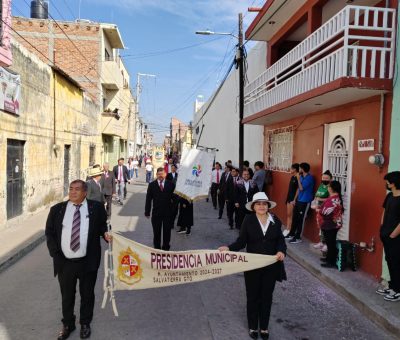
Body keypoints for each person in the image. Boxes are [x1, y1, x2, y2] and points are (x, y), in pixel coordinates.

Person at [45, 180, 111, 340]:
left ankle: (85, 323)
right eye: (71, 189)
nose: (73, 192)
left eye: (77, 190)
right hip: (65, 262)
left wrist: (106, 234)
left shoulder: (96, 209)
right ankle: (68, 324)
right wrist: (56, 254)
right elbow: (50, 233)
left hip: (87, 261)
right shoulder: (57, 210)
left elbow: (103, 226)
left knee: (87, 294)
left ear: (85, 192)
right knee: (67, 295)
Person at [218, 192, 286, 339]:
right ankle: (253, 326)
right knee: (253, 296)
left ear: (268, 206)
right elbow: (242, 241)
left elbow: (280, 239)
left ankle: (264, 327)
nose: (261, 206)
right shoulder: (248, 220)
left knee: (267, 296)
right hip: (252, 265)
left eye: (264, 204)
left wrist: (281, 250)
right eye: (258, 204)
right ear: (253, 206)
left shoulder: (275, 220)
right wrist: (229, 248)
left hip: (271, 265)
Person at [376, 171, 400, 302]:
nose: (386, 183)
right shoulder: (390, 195)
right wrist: (382, 227)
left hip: (395, 237)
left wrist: (392, 235)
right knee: (390, 260)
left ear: (394, 183)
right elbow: (385, 210)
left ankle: (397, 290)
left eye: (388, 181)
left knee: (396, 262)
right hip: (385, 233)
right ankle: (392, 285)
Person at [145, 167, 176, 250]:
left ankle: (166, 249)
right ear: (156, 175)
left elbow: (175, 199)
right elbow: (148, 199)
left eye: (162, 174)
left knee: (167, 232)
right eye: (159, 174)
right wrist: (147, 212)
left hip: (168, 213)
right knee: (156, 233)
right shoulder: (152, 185)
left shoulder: (171, 184)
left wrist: (173, 211)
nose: (160, 176)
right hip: (156, 213)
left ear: (165, 174)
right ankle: (157, 249)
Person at [318, 180, 343, 268]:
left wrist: (318, 210)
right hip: (333, 224)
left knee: (330, 243)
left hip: (330, 224)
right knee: (330, 242)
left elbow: (325, 212)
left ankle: (331, 261)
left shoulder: (333, 199)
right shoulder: (336, 197)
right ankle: (329, 258)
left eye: (329, 187)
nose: (328, 188)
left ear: (332, 188)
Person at [288, 162, 315, 244]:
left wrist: (298, 179)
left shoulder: (309, 178)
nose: (298, 170)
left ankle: (298, 237)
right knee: (295, 218)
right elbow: (298, 190)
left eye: (299, 168)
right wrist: (294, 199)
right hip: (299, 200)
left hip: (305, 201)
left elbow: (301, 188)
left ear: (302, 169)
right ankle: (291, 234)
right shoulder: (302, 176)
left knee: (301, 220)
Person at [312, 170, 333, 250]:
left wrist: (321, 199)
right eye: (323, 177)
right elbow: (317, 194)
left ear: (330, 179)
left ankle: (326, 243)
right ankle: (321, 242)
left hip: (326, 209)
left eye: (326, 178)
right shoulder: (321, 185)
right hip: (319, 208)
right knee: (321, 225)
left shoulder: (331, 187)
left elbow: (331, 198)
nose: (324, 179)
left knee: (326, 226)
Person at [283, 163, 299, 237]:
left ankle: (290, 230)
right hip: (289, 198)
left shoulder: (298, 177)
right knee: (288, 214)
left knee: (291, 215)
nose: (290, 169)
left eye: (291, 168)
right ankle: (287, 228)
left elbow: (298, 190)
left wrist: (294, 199)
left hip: (293, 199)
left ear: (295, 169)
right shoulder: (292, 177)